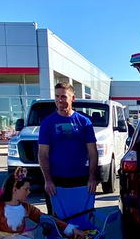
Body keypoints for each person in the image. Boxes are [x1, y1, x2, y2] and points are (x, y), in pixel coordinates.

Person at [38, 82, 98, 216]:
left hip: (80, 179)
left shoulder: (84, 122)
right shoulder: (47, 123)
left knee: (81, 217)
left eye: (64, 96)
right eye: (57, 96)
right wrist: (48, 180)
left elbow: (93, 153)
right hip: (56, 181)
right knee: (58, 220)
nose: (59, 100)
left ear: (72, 98)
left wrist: (92, 178)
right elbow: (43, 154)